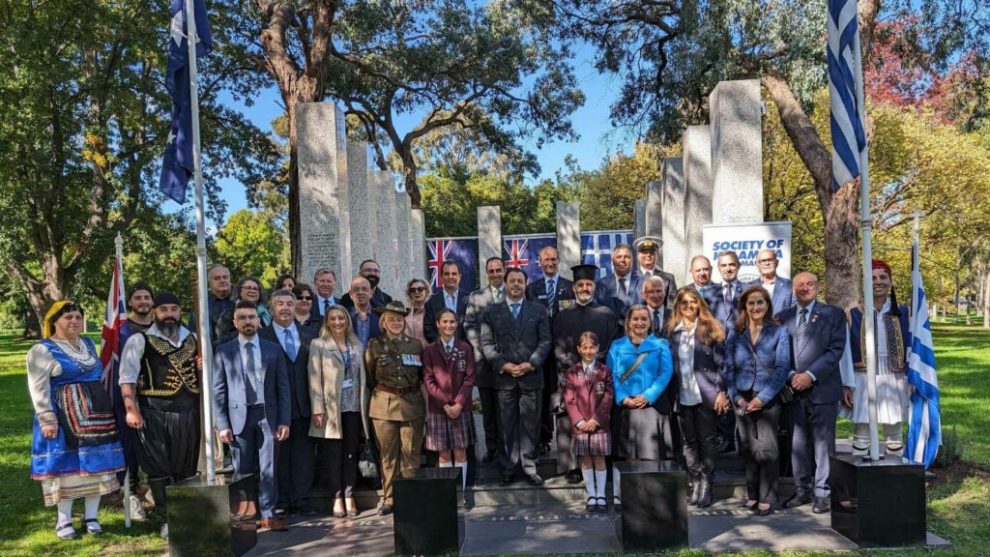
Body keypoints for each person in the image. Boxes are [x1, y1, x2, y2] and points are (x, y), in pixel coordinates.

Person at [27, 302, 125, 540]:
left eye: (78, 317)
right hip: (63, 416)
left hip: (95, 414)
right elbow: (37, 387)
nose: (74, 321)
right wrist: (47, 419)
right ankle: (64, 520)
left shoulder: (88, 344)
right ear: (54, 321)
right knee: (66, 468)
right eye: (68, 317)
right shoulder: (42, 350)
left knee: (97, 465)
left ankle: (92, 516)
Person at [119, 291, 201, 538]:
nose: (169, 315)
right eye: (164, 310)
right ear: (155, 312)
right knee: (160, 468)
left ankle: (185, 515)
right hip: (154, 414)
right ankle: (167, 519)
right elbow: (127, 378)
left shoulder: (194, 339)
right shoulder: (140, 340)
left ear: (180, 312)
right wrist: (131, 410)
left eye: (174, 310)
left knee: (186, 469)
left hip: (188, 414)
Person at [214, 301, 292, 532]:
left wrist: (284, 420)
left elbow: (283, 387)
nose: (248, 321)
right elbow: (218, 391)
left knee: (269, 469)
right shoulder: (224, 351)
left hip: (268, 415)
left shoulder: (272, 349)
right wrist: (222, 424)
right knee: (243, 470)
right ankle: (246, 516)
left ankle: (269, 514)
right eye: (243, 318)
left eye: (252, 317)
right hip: (239, 417)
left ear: (259, 321)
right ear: (236, 323)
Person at [777, 272, 846, 514]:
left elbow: (835, 350)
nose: (805, 288)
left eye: (810, 284)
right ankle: (801, 490)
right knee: (797, 443)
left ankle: (823, 493)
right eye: (800, 285)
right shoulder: (782, 318)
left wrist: (810, 376)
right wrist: (791, 376)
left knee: (823, 444)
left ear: (817, 287)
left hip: (822, 389)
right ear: (793, 290)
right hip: (793, 390)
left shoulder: (833, 314)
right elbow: (776, 353)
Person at [722, 286, 790, 516]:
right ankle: (752, 495)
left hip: (767, 396)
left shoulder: (779, 331)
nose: (755, 307)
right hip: (742, 397)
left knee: (768, 449)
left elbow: (782, 368)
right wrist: (736, 397)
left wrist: (763, 398)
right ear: (744, 306)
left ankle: (768, 497)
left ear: (767, 305)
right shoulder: (735, 331)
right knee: (748, 448)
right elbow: (728, 367)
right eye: (751, 303)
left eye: (760, 302)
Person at [480, 267, 552, 487]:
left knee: (531, 424)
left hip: (531, 376)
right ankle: (508, 468)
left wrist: (531, 363)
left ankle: (530, 466)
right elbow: (487, 344)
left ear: (526, 283)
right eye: (512, 281)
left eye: (520, 281)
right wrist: (503, 365)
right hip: (504, 379)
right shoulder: (491, 312)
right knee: (506, 424)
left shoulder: (538, 310)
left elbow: (545, 341)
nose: (516, 285)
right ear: (505, 283)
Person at [552, 264, 621, 481]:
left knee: (599, 416)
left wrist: (593, 367)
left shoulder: (607, 314)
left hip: (599, 378)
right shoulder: (562, 316)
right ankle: (572, 467)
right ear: (573, 288)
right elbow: (557, 348)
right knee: (568, 417)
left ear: (594, 287)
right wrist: (577, 368)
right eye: (580, 285)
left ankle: (601, 462)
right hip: (570, 378)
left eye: (588, 284)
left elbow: (611, 346)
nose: (584, 288)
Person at [665, 288, 729, 508]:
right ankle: (695, 482)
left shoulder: (711, 329)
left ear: (700, 304)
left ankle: (707, 485)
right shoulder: (673, 332)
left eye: (693, 302)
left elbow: (723, 365)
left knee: (707, 442)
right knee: (689, 443)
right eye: (684, 302)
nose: (689, 306)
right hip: (682, 395)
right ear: (678, 306)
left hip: (707, 395)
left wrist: (721, 391)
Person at [607, 304, 674, 511]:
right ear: (628, 322)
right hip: (626, 407)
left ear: (650, 322)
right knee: (629, 455)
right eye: (635, 319)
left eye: (644, 319)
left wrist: (648, 395)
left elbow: (666, 372)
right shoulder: (617, 346)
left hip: (651, 407)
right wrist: (622, 397)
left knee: (651, 454)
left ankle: (651, 499)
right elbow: (611, 375)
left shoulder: (661, 344)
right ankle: (630, 499)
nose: (639, 323)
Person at [260, 289, 319, 516]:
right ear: (271, 308)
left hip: (305, 405)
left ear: (296, 307)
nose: (285, 307)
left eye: (289, 303)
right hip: (275, 408)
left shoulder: (310, 334)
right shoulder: (262, 336)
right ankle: (282, 500)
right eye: (280, 303)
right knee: (279, 457)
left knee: (304, 457)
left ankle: (301, 500)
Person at [308, 305, 370, 518]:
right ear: (327, 321)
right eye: (333, 318)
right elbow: (314, 379)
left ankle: (349, 495)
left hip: (354, 408)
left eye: (341, 318)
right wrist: (317, 409)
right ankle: (336, 498)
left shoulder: (357, 345)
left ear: (347, 321)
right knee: (333, 456)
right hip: (331, 410)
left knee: (351, 455)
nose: (337, 322)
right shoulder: (319, 344)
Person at [365, 301, 426, 515]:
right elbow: (371, 375)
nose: (396, 323)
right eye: (392, 319)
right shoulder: (374, 346)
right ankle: (389, 498)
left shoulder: (416, 345)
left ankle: (410, 495)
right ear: (384, 322)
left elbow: (421, 375)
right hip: (384, 404)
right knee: (388, 455)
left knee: (411, 452)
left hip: (411, 403)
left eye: (400, 319)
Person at [849, 259, 911, 456]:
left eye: (883, 277)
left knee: (894, 430)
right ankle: (860, 479)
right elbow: (844, 353)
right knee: (862, 431)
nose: (878, 281)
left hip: (895, 376)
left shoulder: (904, 312)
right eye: (872, 278)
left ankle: (893, 476)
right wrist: (846, 384)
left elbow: (913, 346)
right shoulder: (853, 313)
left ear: (890, 281)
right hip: (863, 376)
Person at [423, 308, 476, 498]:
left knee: (460, 451)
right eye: (444, 321)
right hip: (439, 409)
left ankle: (460, 495)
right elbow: (428, 381)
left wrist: (459, 404)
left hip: (460, 408)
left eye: (452, 322)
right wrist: (445, 404)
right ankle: (448, 496)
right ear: (438, 324)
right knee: (444, 454)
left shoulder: (465, 348)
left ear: (457, 324)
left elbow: (469, 379)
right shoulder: (429, 350)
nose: (448, 325)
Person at [526, 246, 575, 454]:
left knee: (565, 393)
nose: (550, 263)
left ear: (559, 261)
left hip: (565, 351)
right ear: (540, 262)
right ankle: (544, 439)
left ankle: (566, 442)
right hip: (543, 353)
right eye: (546, 260)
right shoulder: (532, 289)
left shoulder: (570, 286)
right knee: (544, 395)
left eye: (554, 259)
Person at [562, 332, 614, 513]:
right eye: (584, 347)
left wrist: (596, 420)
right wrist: (580, 421)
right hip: (581, 425)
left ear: (598, 349)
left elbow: (607, 397)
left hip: (599, 425)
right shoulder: (571, 373)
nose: (588, 351)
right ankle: (591, 494)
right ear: (578, 349)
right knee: (585, 459)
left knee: (600, 459)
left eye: (592, 347)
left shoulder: (605, 371)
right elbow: (569, 399)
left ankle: (601, 494)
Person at [116, 282, 154, 520]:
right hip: (129, 396)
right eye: (138, 298)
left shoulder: (159, 328)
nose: (143, 302)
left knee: (153, 446)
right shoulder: (120, 331)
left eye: (147, 298)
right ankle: (130, 495)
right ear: (130, 302)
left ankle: (152, 490)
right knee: (130, 447)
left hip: (156, 398)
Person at [464, 257, 507, 463]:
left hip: (510, 363)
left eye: (499, 270)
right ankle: (492, 448)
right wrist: (484, 351)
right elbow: (469, 326)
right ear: (486, 273)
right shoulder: (476, 297)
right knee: (489, 409)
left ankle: (508, 448)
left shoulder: (514, 292)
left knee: (507, 409)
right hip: (485, 364)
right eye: (491, 271)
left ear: (504, 271)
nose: (495, 274)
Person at [641, 275, 681, 461]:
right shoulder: (637, 317)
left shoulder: (677, 315)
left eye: (659, 291)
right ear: (643, 294)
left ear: (665, 293)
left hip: (675, 379)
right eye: (650, 291)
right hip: (648, 382)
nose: (655, 295)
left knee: (676, 424)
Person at [216, 276, 272, 344]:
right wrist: (247, 330)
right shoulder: (229, 313)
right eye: (248, 288)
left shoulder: (267, 313)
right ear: (240, 291)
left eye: (255, 289)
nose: (252, 291)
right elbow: (222, 340)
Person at [188, 264, 234, 346]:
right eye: (217, 278)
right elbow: (193, 335)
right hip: (210, 354)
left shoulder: (239, 301)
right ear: (209, 282)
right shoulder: (202, 306)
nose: (222, 280)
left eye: (225, 277)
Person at [424, 261, 470, 343]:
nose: (450, 277)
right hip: (439, 351)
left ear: (460, 276)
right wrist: (443, 345)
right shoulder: (431, 301)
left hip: (465, 350)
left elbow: (473, 326)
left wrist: (462, 346)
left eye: (454, 274)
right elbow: (428, 329)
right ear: (441, 277)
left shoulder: (470, 299)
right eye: (446, 274)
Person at [633, 236, 677, 309]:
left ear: (657, 255)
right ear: (638, 255)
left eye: (652, 252)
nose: (648, 255)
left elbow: (671, 306)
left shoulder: (668, 279)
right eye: (644, 252)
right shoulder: (631, 278)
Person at [595, 244, 640, 317]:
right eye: (619, 257)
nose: (622, 260)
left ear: (632, 261)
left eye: (627, 257)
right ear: (612, 261)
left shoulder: (643, 283)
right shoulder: (600, 286)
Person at [748, 249, 796, 315]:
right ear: (757, 264)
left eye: (770, 260)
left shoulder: (790, 285)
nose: (767, 263)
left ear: (777, 263)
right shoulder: (748, 287)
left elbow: (796, 313)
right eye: (763, 261)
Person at [709, 251, 746, 332]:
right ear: (719, 268)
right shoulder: (708, 293)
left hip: (742, 342)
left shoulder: (749, 291)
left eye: (732, 264)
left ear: (739, 266)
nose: (728, 269)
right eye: (724, 265)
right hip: (717, 343)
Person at [348, 276, 381, 346]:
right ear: (350, 294)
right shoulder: (344, 316)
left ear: (371, 293)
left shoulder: (381, 316)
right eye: (356, 289)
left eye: (364, 289)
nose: (360, 292)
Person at [403, 278, 431, 345]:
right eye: (412, 290)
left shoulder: (431, 312)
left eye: (420, 289)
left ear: (426, 291)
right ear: (409, 294)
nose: (416, 292)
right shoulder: (405, 313)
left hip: (429, 353)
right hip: (410, 353)